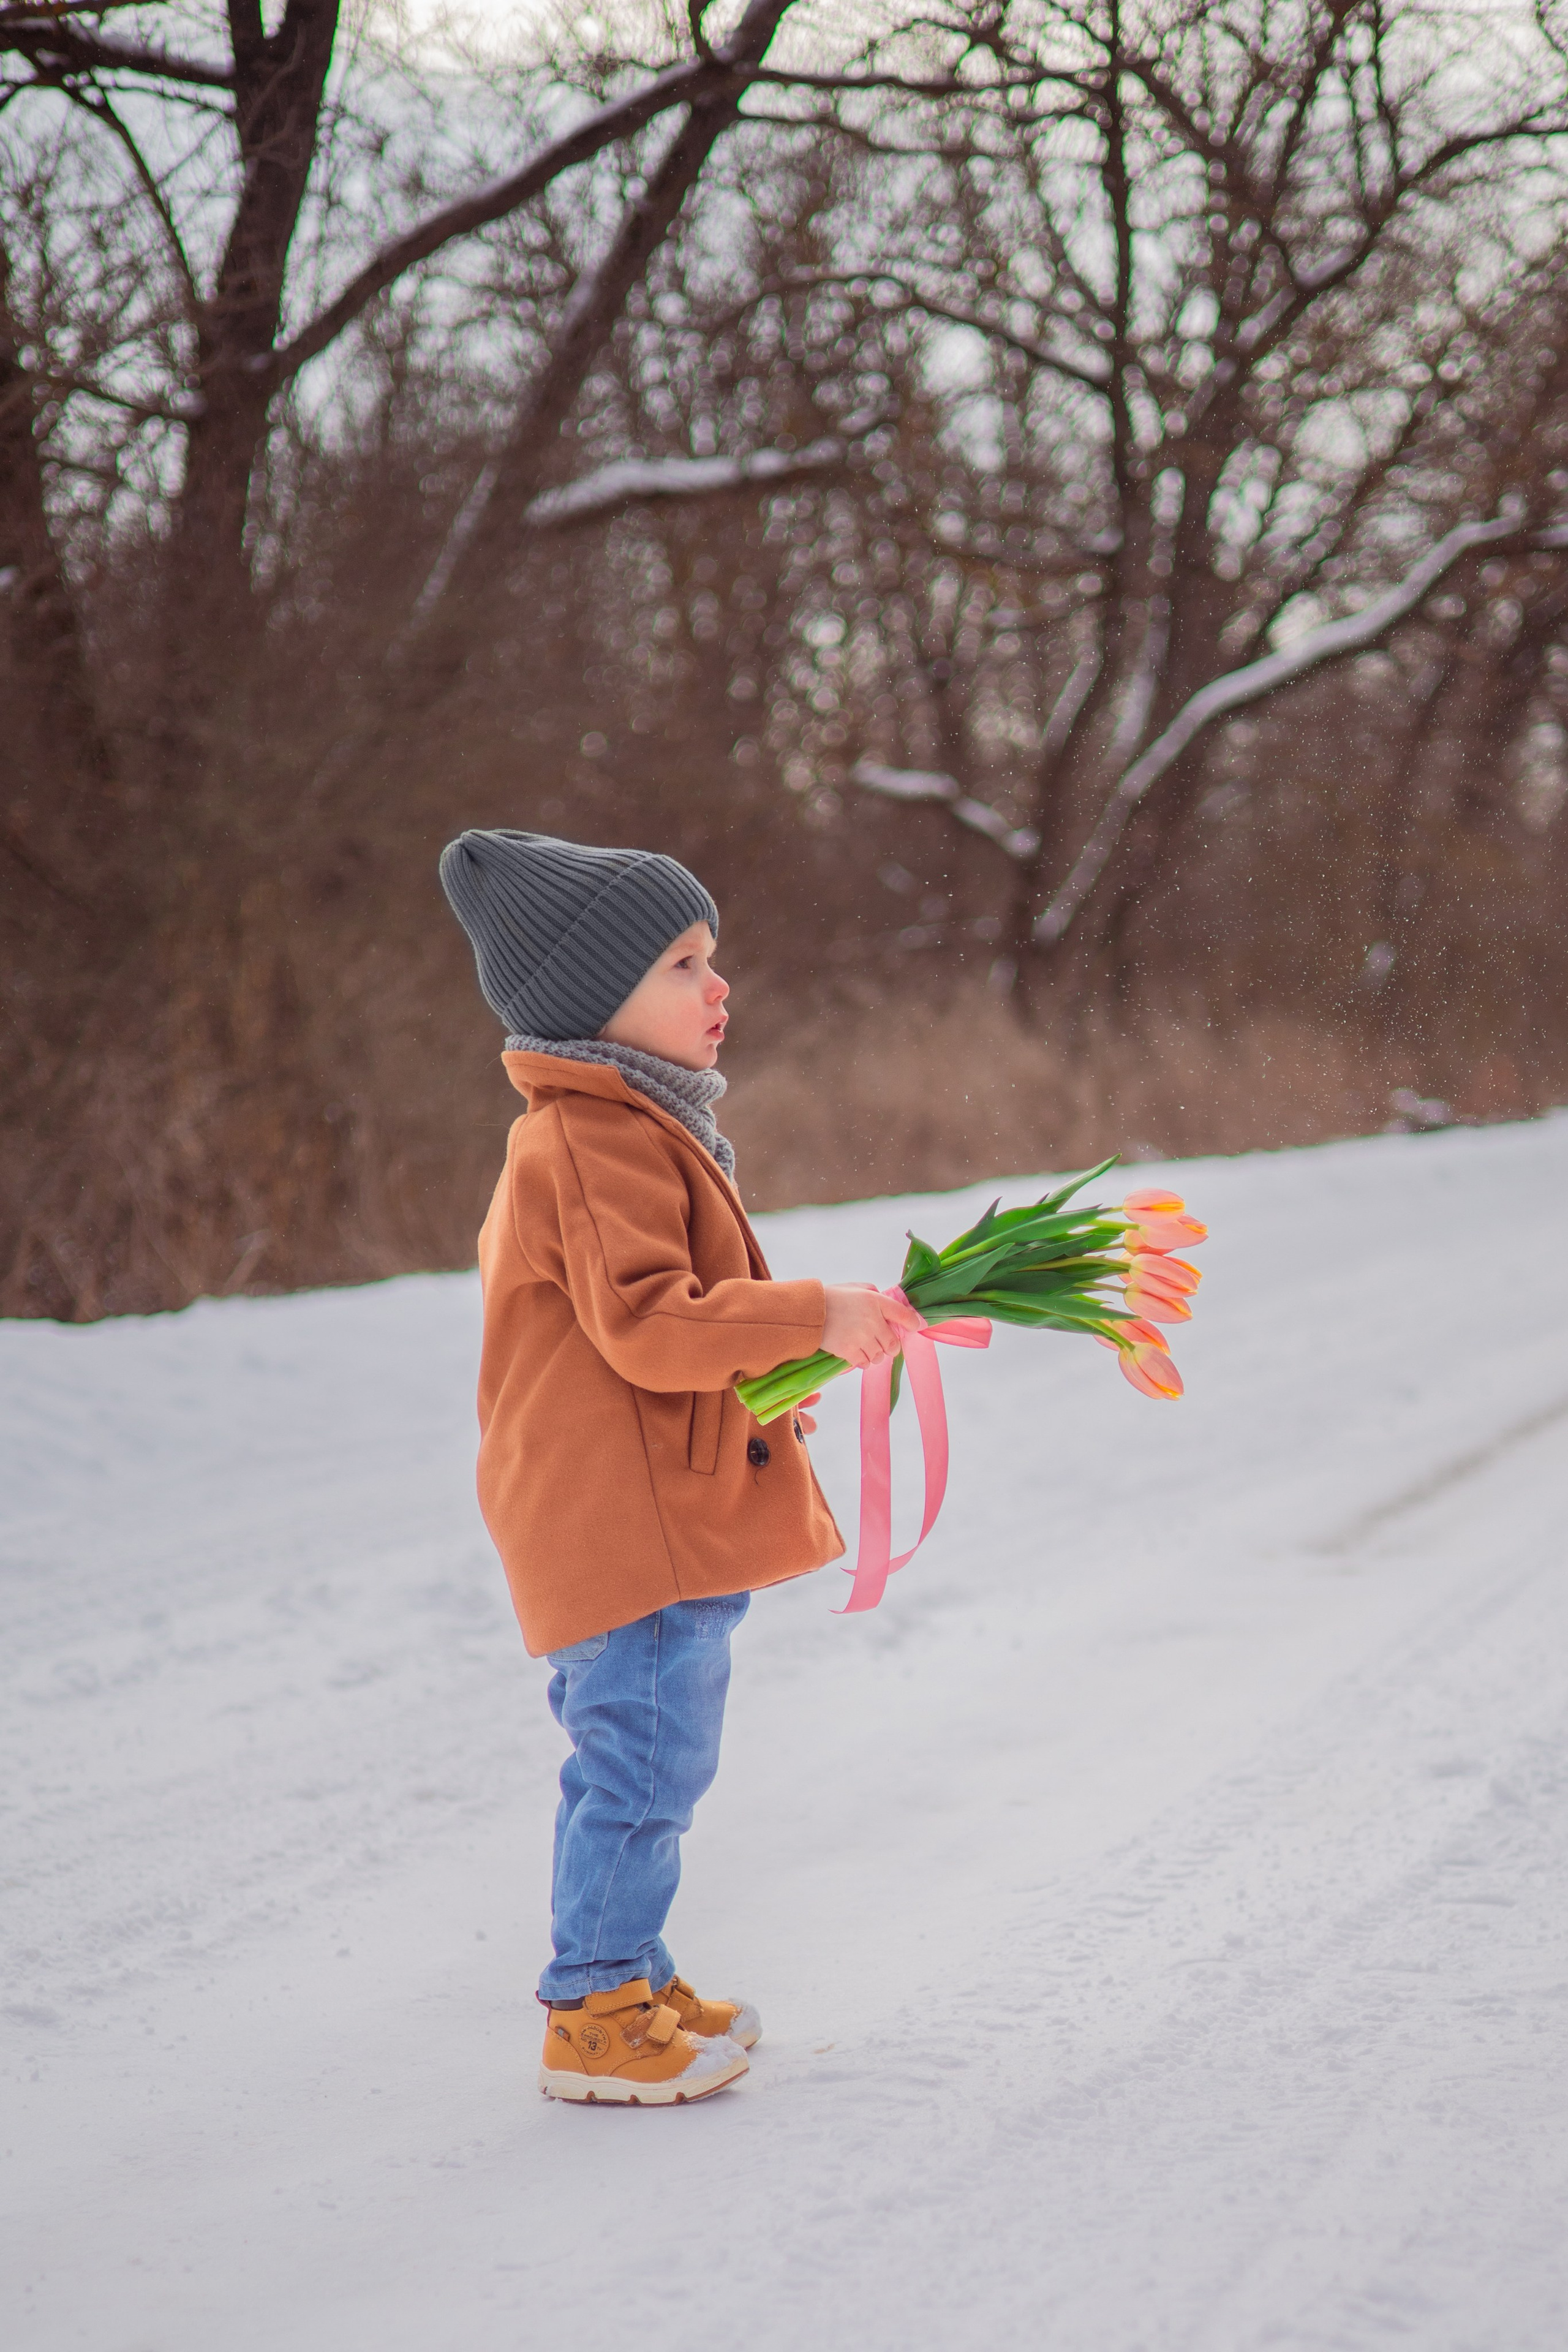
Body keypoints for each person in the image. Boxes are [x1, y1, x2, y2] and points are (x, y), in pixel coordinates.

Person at [439, 829, 917, 2106]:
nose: (718, 988)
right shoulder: (588, 1140)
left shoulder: (631, 1125)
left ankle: (632, 1975)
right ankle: (595, 2012)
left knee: (645, 1755)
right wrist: (811, 1315)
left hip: (645, 1507)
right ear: (593, 995)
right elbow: (653, 1324)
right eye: (682, 964)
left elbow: (662, 1336)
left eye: (711, 959)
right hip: (623, 1524)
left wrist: (797, 1357)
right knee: (642, 1767)